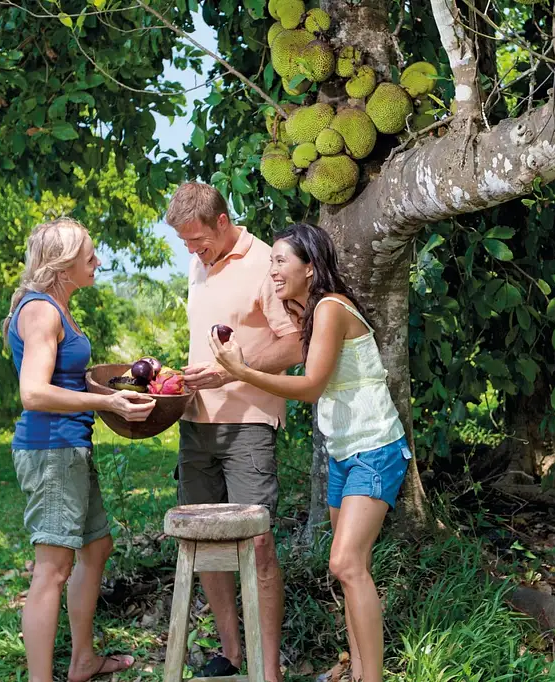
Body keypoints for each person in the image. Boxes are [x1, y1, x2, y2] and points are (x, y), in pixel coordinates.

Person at [210, 222, 412, 682]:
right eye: (272, 261)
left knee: (344, 562)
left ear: (310, 265)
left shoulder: (333, 308)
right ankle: (360, 672)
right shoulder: (313, 311)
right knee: (348, 568)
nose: (274, 270)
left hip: (375, 449)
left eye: (281, 260)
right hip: (345, 452)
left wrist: (240, 371)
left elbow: (310, 386)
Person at [3, 217, 156, 682]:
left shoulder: (56, 308)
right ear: (64, 263)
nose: (98, 262)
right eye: (90, 255)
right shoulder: (42, 312)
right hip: (51, 451)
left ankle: (83, 659)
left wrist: (115, 386)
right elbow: (33, 393)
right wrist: (106, 400)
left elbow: (62, 379)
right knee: (52, 568)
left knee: (97, 547)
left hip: (70, 447)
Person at [165, 182, 303, 681]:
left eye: (197, 239)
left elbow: (295, 346)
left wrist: (232, 371)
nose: (191, 250)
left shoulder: (266, 264)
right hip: (195, 422)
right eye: (184, 243)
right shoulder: (197, 264)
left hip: (249, 424)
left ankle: (268, 669)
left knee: (258, 543)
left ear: (222, 221)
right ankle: (231, 653)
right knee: (203, 542)